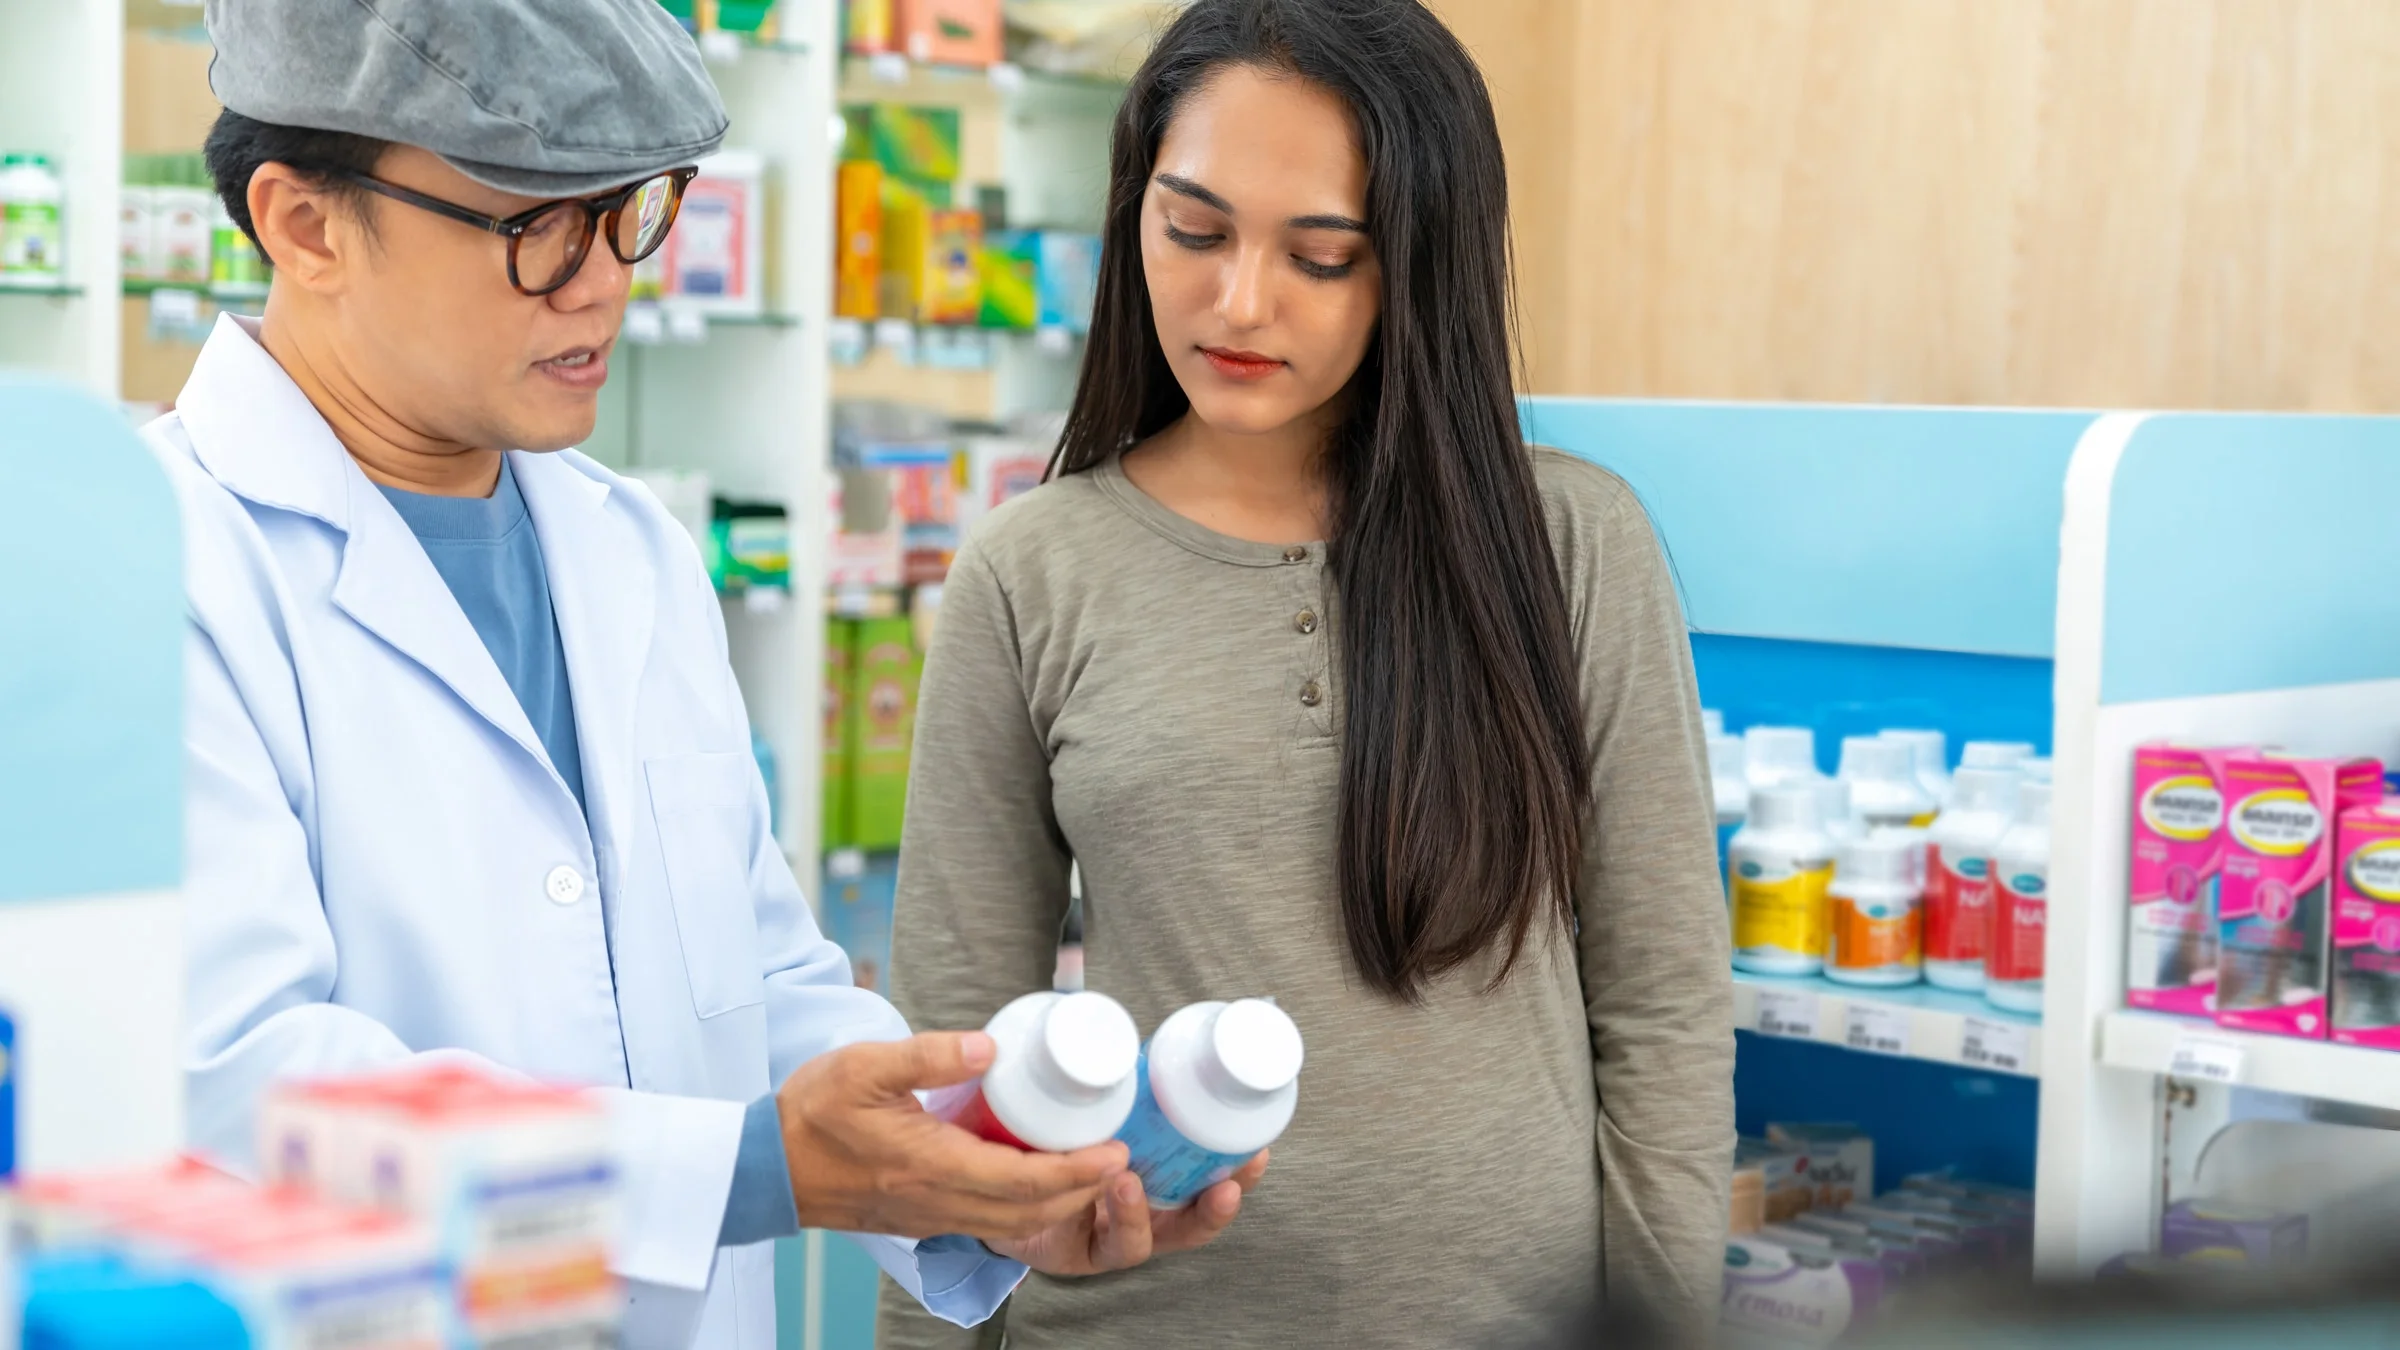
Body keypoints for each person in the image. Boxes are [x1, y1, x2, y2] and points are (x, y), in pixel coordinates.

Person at [159, 3, 1254, 1346]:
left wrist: (974, 1171)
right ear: (306, 224)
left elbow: (761, 987)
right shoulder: (154, 568)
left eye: (633, 210)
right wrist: (748, 1170)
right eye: (539, 227)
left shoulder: (634, 553)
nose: (608, 279)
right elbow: (235, 1084)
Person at [877, 0, 1735, 1346]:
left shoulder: (1572, 546)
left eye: (1322, 255)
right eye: (1195, 228)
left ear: (1418, 263)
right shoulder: (1028, 574)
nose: (1238, 302)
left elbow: (1665, 1013)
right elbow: (950, 1064)